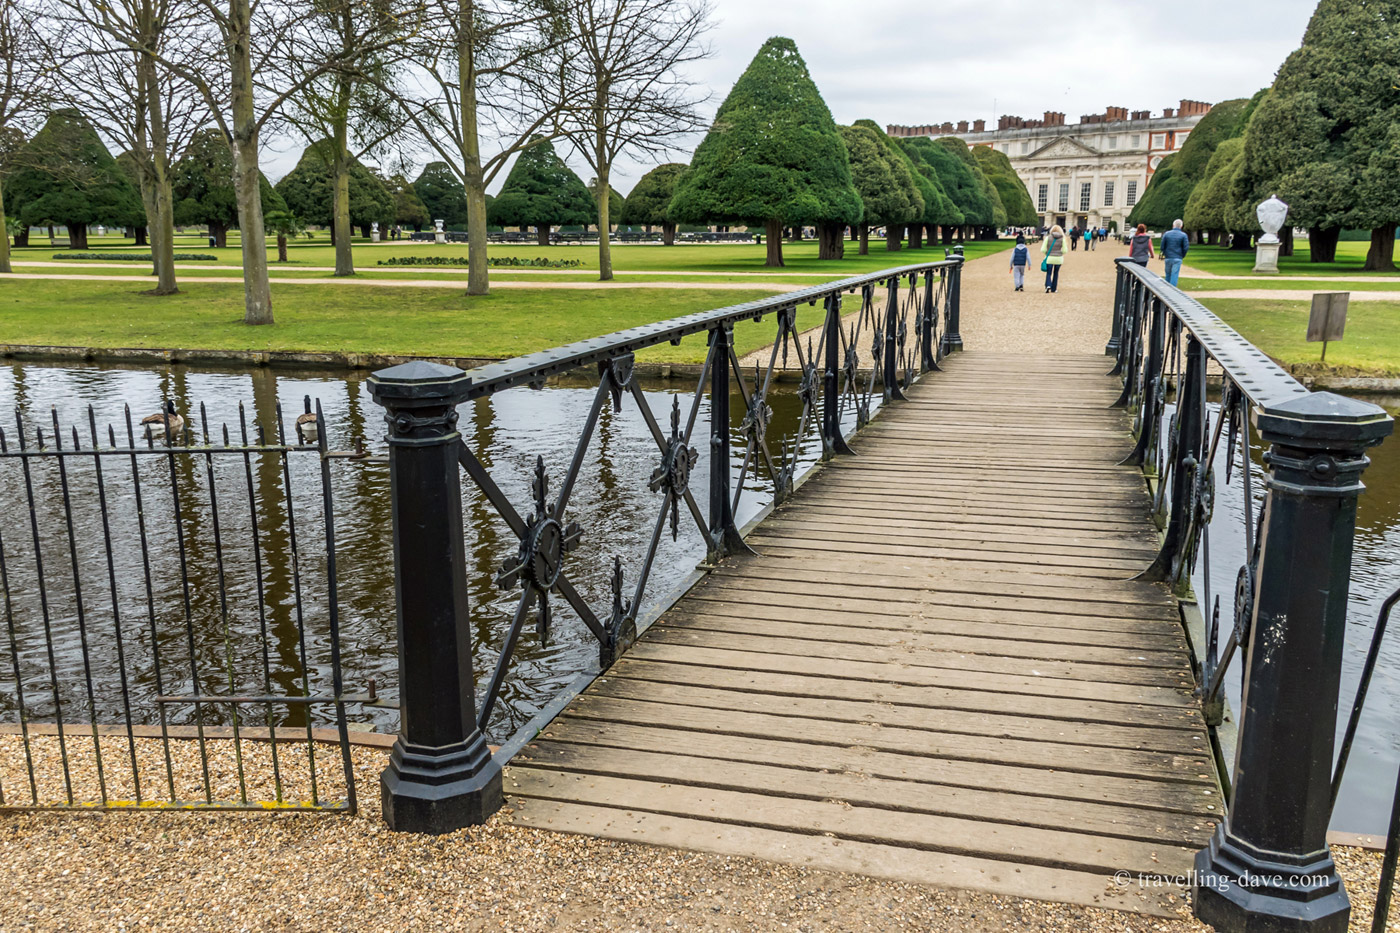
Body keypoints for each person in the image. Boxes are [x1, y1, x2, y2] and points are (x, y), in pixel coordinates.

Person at [1161, 218, 1190, 286]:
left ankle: (1166, 289)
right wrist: (1182, 255)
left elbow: (1162, 246)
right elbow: (1185, 247)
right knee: (1174, 274)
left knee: (1168, 274)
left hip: (1168, 256)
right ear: (1181, 226)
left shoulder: (1167, 234)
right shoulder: (1183, 235)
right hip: (1178, 257)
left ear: (1173, 225)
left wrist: (1165, 253)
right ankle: (1172, 290)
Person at [1041, 224, 1065, 292]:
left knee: (1049, 273)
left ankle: (1048, 285)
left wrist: (1047, 252)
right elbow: (1065, 250)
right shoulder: (1062, 239)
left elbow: (1043, 249)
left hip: (1050, 258)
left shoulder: (1048, 238)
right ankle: (1054, 289)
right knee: (1056, 273)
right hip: (1058, 258)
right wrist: (1060, 253)